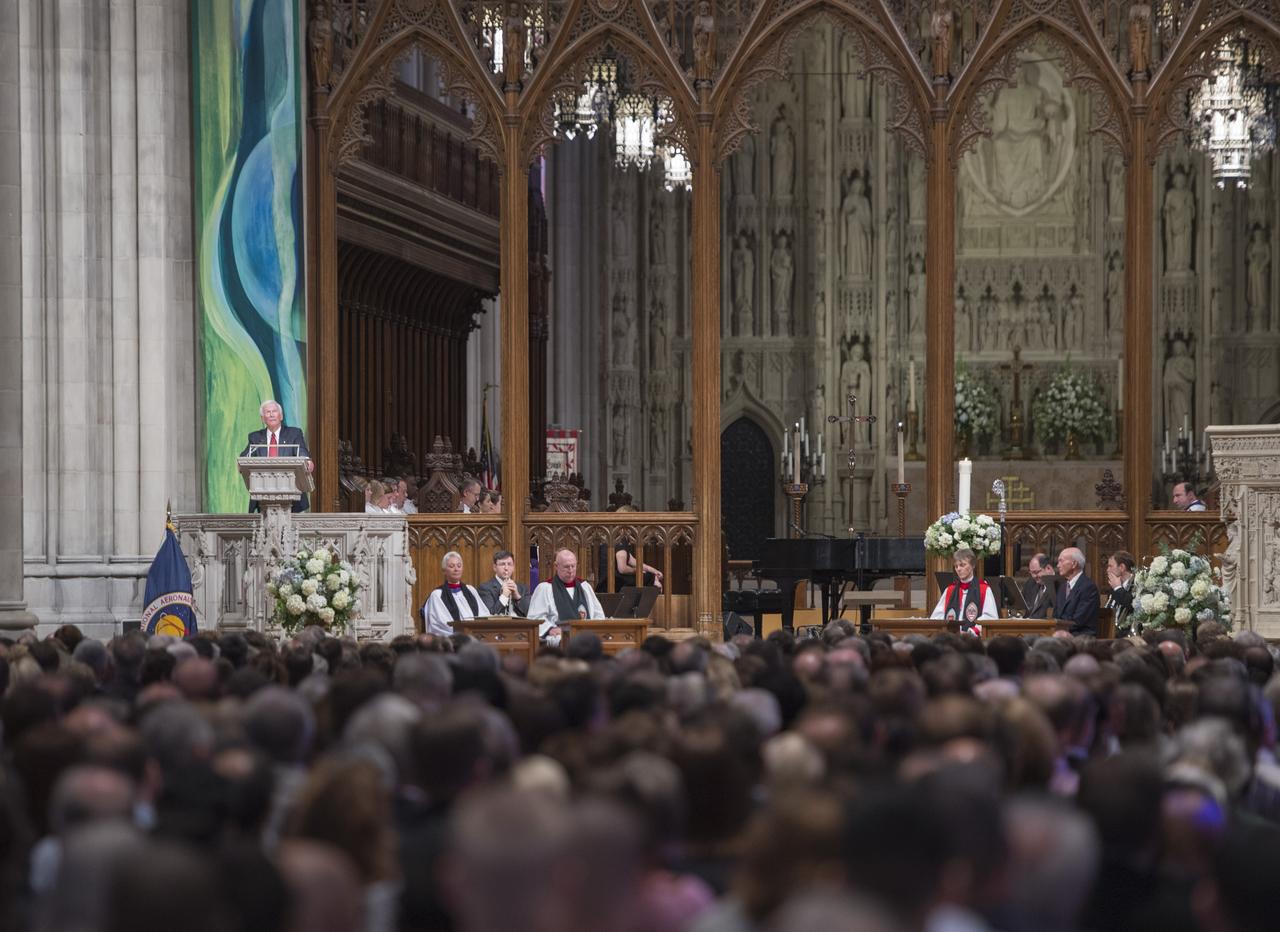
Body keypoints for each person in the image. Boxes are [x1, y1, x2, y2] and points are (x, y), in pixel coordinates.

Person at [242, 399, 312, 513]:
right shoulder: (255, 438)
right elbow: (245, 458)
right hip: (263, 495)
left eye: (274, 411)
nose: (271, 414)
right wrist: (240, 464)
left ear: (281, 416)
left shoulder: (294, 433)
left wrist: (307, 461)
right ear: (262, 418)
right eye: (267, 412)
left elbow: (302, 452)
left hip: (291, 498)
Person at [527, 549, 605, 645]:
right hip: (559, 636)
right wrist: (550, 629)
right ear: (556, 566)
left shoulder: (585, 587)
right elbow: (535, 618)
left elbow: (598, 614)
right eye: (566, 567)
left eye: (573, 566)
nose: (571, 570)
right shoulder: (545, 588)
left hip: (586, 634)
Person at [930, 547, 998, 629]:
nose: (958, 569)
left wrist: (973, 631)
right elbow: (937, 617)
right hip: (952, 637)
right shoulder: (950, 590)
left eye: (962, 565)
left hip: (974, 638)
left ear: (972, 565)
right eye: (956, 566)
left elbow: (990, 618)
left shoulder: (984, 589)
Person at [421, 552, 485, 636]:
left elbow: (483, 614)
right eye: (452, 566)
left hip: (475, 637)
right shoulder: (437, 595)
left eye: (459, 566)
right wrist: (463, 634)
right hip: (452, 641)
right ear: (444, 571)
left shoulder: (471, 590)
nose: (456, 569)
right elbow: (440, 623)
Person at [1053, 547, 1100, 636]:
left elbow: (1079, 620)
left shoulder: (1088, 587)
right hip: (1062, 634)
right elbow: (1055, 615)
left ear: (1074, 564)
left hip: (1081, 636)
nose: (1058, 565)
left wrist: (1059, 631)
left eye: (1061, 561)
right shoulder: (1063, 587)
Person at [477, 550, 530, 617]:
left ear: (513, 567)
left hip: (522, 626)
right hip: (499, 626)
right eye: (502, 564)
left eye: (509, 564)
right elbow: (489, 615)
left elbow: (531, 614)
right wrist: (504, 597)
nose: (506, 568)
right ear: (494, 567)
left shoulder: (523, 588)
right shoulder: (485, 588)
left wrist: (518, 597)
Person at [1105, 550, 1137, 629]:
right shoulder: (1114, 587)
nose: (1107, 570)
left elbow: (1133, 605)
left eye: (1110, 566)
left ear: (1122, 567)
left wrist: (1118, 588)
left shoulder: (1137, 583)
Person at [1020, 553, 1054, 619]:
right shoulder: (1030, 583)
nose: (1034, 576)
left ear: (1048, 568)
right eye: (1031, 573)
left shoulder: (1059, 585)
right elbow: (1021, 606)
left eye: (1036, 572)